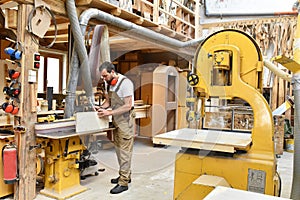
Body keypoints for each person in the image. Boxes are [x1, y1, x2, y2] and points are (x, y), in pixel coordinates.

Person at [96, 61, 135, 194]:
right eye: (102, 77)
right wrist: (101, 108)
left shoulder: (126, 84)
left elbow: (128, 105)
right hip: (116, 119)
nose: (104, 79)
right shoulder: (108, 83)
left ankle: (123, 183)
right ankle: (125, 175)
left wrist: (109, 112)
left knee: (124, 152)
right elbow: (109, 101)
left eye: (105, 76)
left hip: (125, 120)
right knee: (118, 150)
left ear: (113, 72)